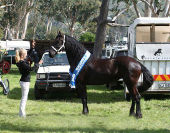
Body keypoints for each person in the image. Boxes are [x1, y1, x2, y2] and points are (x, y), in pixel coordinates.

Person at [15, 48, 36, 118]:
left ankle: (21, 113)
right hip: (25, 82)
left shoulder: (21, 62)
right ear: (22, 55)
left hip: (24, 81)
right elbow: (31, 69)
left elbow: (28, 66)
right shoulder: (22, 63)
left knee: (24, 98)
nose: (27, 55)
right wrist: (38, 64)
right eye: (25, 54)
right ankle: (22, 114)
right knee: (24, 99)